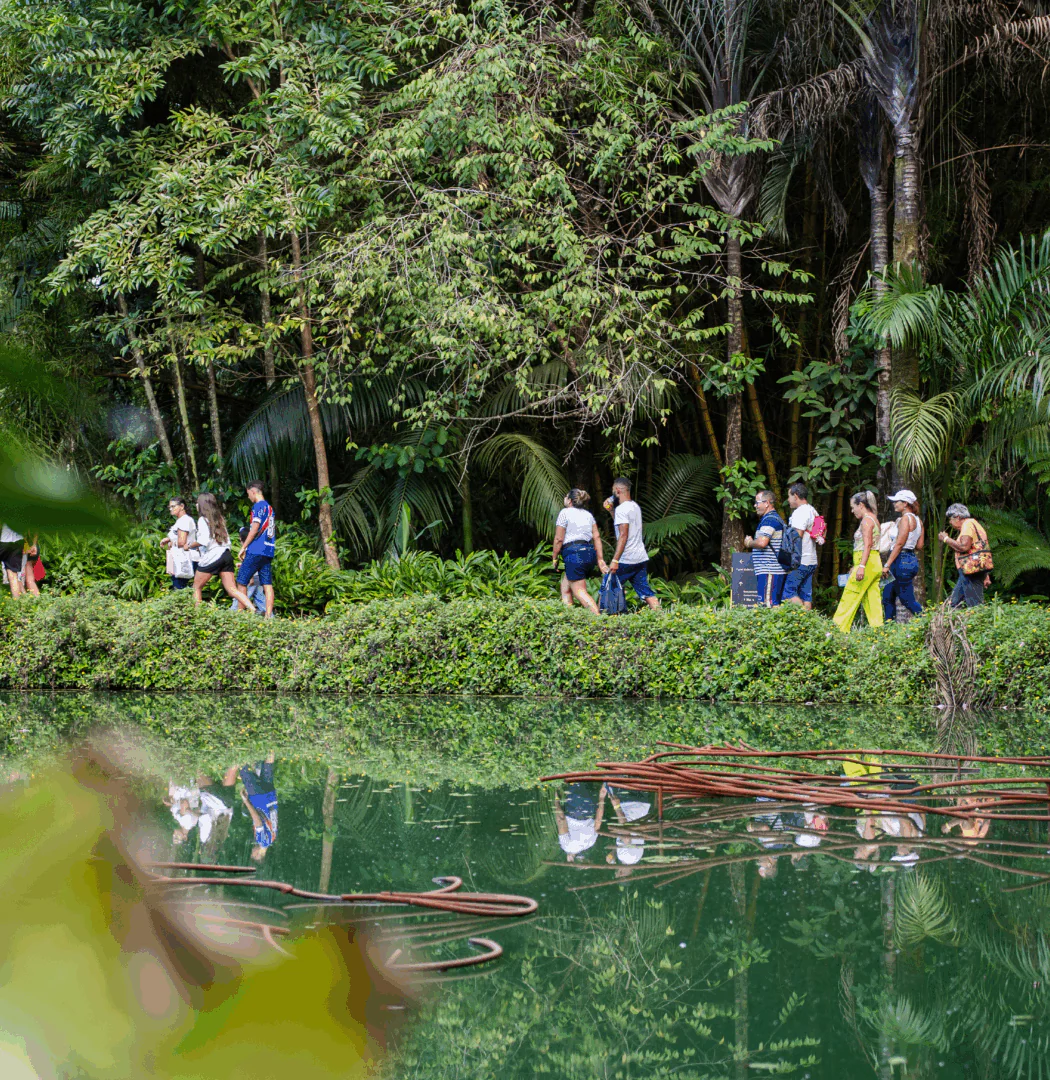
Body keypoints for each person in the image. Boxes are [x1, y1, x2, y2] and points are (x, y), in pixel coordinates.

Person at [190, 493, 256, 611]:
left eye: (197, 503)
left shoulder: (202, 520)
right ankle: (252, 608)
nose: (196, 505)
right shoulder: (219, 519)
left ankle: (198, 614)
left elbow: (203, 540)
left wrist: (189, 545)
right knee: (232, 589)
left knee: (196, 587)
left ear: (201, 505)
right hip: (226, 554)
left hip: (214, 555)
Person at [603, 478, 659, 610]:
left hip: (626, 559)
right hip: (640, 557)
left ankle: (602, 620)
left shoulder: (622, 509)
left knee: (606, 588)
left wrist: (615, 560)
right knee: (646, 592)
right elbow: (622, 526)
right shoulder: (634, 506)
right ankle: (663, 617)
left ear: (617, 491)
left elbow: (623, 535)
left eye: (613, 491)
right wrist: (611, 511)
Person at [833, 491, 884, 632]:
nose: (852, 511)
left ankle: (837, 629)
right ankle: (878, 631)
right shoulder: (874, 519)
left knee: (850, 594)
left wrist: (861, 566)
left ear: (861, 505)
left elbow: (867, 545)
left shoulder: (866, 520)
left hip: (867, 562)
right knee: (872, 600)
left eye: (853, 507)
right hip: (874, 562)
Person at [552, 488, 605, 615]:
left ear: (570, 501)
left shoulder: (565, 513)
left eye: (566, 496)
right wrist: (600, 559)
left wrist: (554, 557)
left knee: (579, 591)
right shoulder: (588, 515)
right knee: (566, 587)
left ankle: (599, 620)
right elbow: (597, 537)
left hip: (574, 554)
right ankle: (570, 618)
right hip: (589, 553)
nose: (564, 498)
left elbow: (559, 539)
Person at [225, 753, 278, 863]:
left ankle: (271, 746)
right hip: (259, 798)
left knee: (267, 768)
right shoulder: (262, 841)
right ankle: (241, 748)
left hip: (270, 796)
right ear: (258, 855)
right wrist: (246, 801)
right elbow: (257, 820)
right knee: (244, 770)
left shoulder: (273, 838)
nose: (252, 850)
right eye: (253, 853)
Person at [881, 489, 924, 621]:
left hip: (900, 560)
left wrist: (887, 564)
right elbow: (919, 545)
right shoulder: (918, 521)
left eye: (897, 501)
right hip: (910, 559)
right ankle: (889, 627)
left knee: (906, 599)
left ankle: (927, 620)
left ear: (905, 503)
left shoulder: (906, 519)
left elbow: (899, 543)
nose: (894, 504)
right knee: (888, 596)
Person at [939, 503, 992, 609]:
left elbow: (964, 547)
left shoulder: (967, 525)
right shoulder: (974, 524)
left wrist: (946, 539)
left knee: (975, 604)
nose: (950, 522)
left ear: (958, 517)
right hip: (970, 570)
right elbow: (980, 550)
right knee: (955, 603)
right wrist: (985, 575)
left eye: (950, 519)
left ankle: (979, 619)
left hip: (971, 570)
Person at [236, 481, 276, 618]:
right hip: (268, 550)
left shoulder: (258, 506)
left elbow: (254, 529)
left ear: (253, 491)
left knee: (241, 581)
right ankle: (268, 617)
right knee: (267, 584)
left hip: (256, 549)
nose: (248, 497)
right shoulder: (270, 508)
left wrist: (243, 547)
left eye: (248, 494)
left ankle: (242, 615)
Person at [743, 489, 786, 607]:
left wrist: (749, 543)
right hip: (769, 570)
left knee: (768, 605)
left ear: (766, 503)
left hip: (770, 570)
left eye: (757, 502)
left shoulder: (770, 520)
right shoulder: (771, 519)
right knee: (770, 604)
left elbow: (762, 542)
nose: (755, 505)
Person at [782, 482, 820, 611]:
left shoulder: (800, 512)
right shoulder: (812, 510)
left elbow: (797, 537)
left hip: (801, 560)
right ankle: (809, 621)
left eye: (789, 496)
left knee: (788, 593)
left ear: (796, 496)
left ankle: (804, 617)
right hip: (812, 559)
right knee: (806, 596)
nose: (788, 500)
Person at [554, 783, 607, 862]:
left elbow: (598, 820)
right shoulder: (567, 847)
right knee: (576, 779)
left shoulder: (590, 843)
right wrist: (556, 801)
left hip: (591, 805)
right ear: (570, 859)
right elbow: (561, 820)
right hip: (574, 806)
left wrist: (601, 798)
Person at [161, 496, 197, 591]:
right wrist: (168, 539)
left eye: (173, 506)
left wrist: (171, 543)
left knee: (179, 587)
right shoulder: (181, 520)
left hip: (185, 558)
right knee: (178, 585)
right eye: (169, 507)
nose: (171, 509)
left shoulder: (184, 520)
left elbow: (182, 541)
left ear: (182, 506)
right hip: (179, 557)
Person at [231, 527, 267, 614]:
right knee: (260, 598)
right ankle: (269, 615)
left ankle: (233, 612)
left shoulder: (247, 550)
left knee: (241, 597)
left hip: (251, 578)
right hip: (258, 576)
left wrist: (250, 578)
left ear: (241, 539)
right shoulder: (255, 547)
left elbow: (250, 566)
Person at [0, 523, 26, 598]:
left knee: (12, 574)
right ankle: (16, 601)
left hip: (5, 541)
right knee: (13, 574)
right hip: (18, 543)